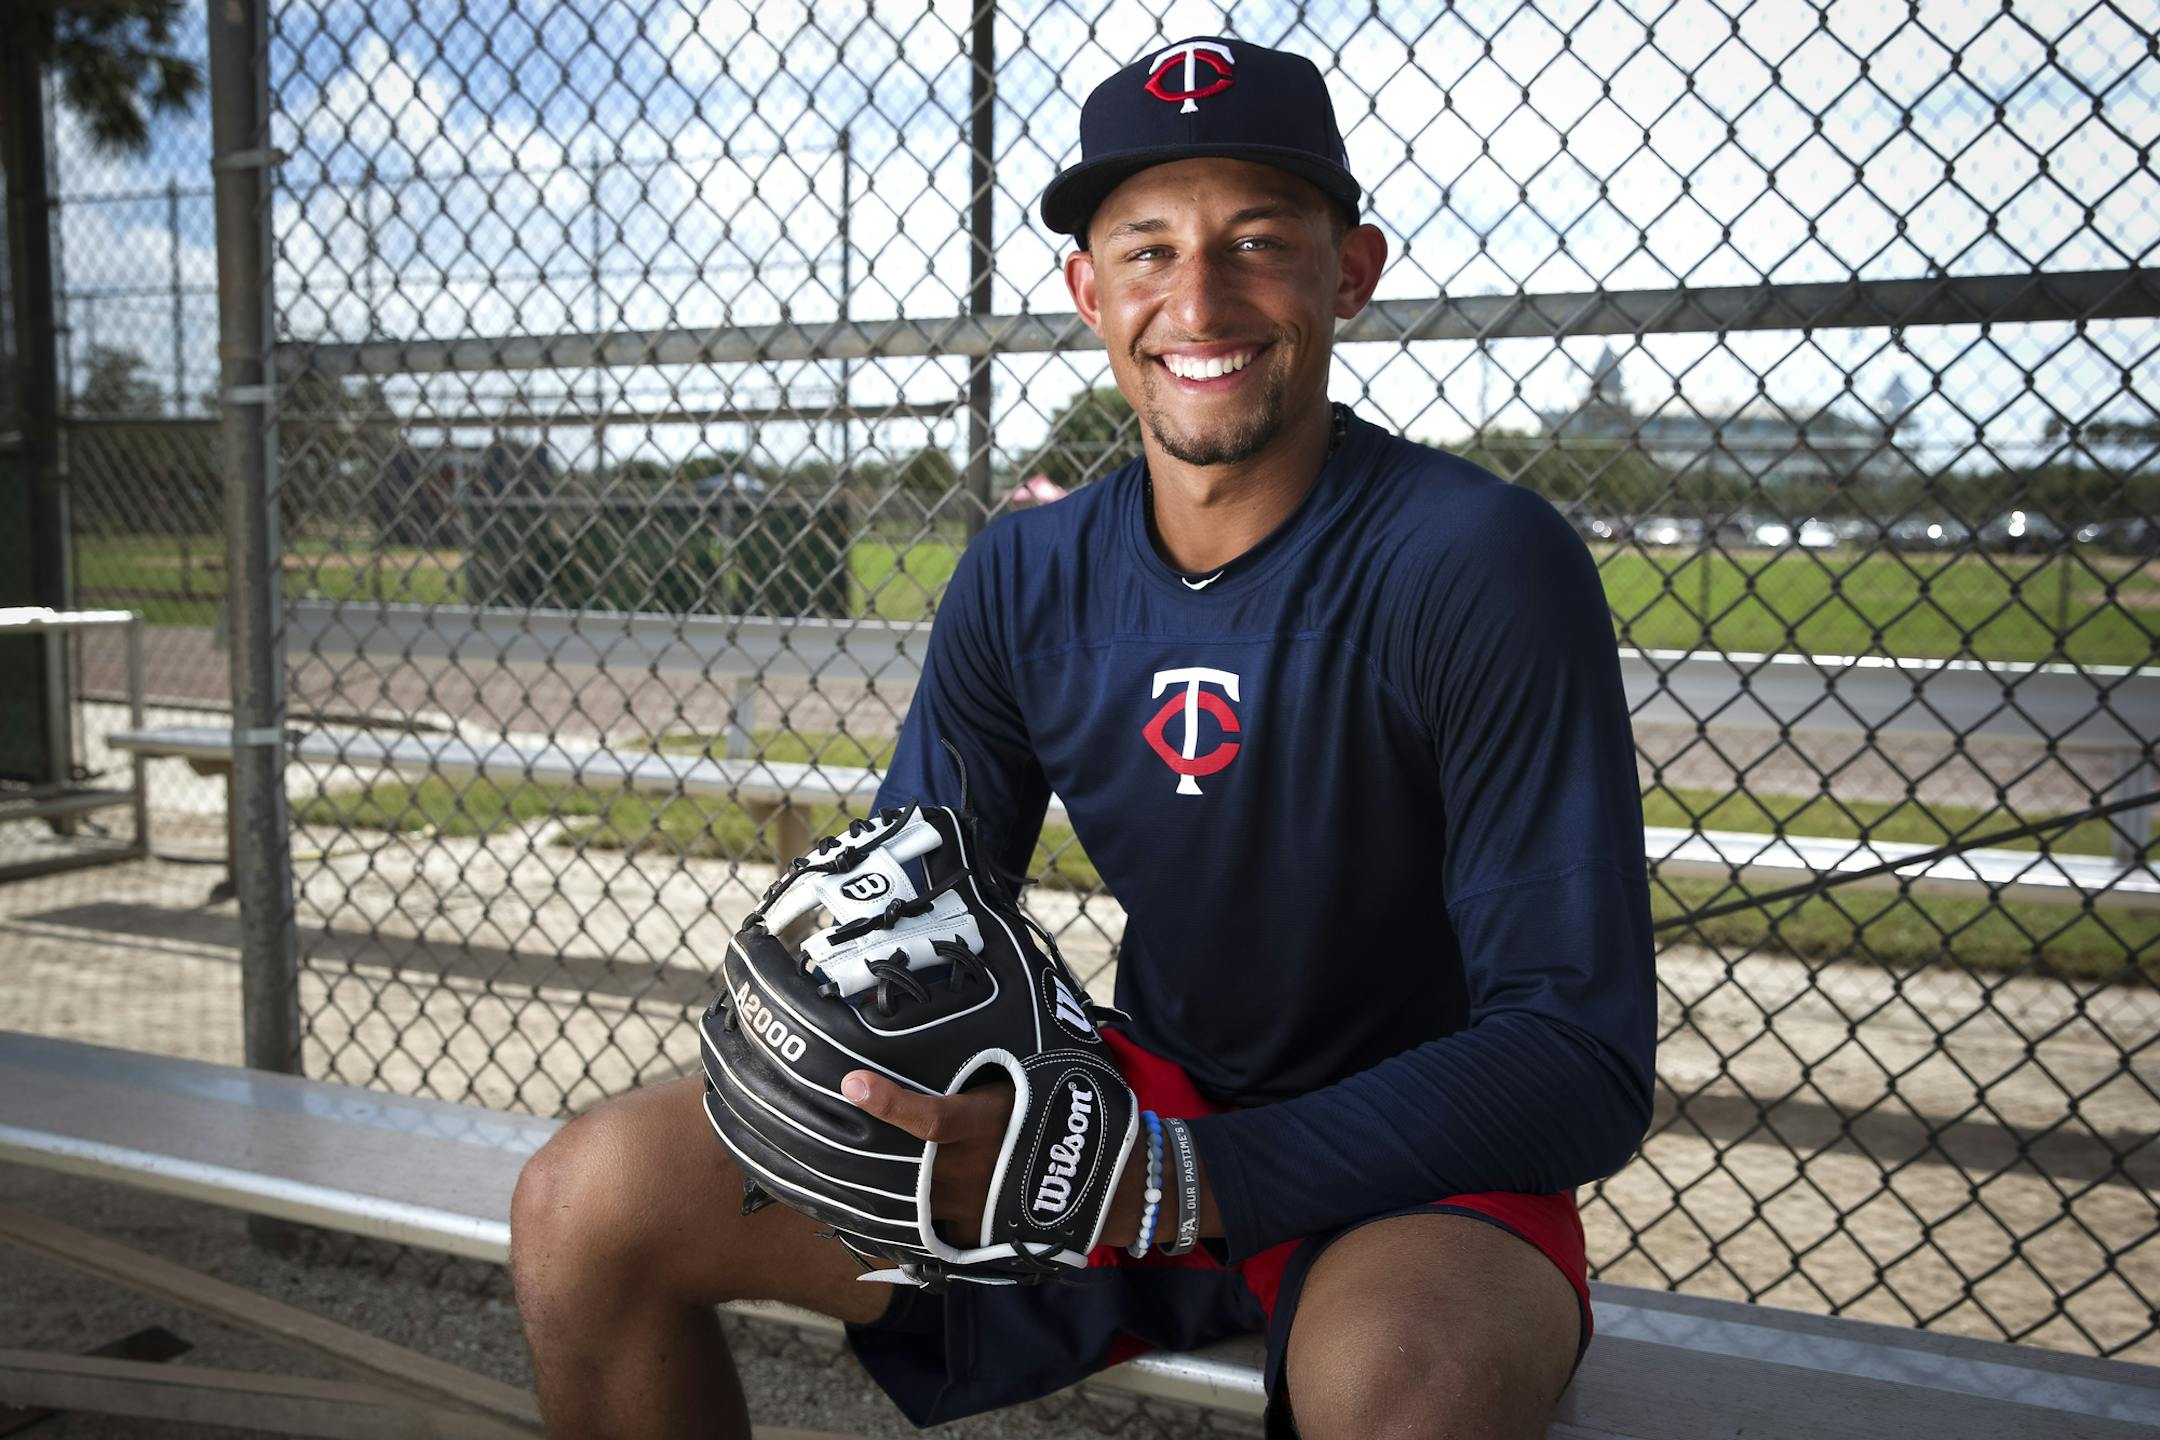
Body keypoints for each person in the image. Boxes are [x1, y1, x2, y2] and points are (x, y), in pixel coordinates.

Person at [509, 35, 1655, 1440]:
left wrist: (1187, 1177)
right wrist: (835, 1027)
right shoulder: (1025, 571)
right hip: (1110, 1122)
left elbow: (1578, 1056)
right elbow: (909, 911)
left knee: (1408, 1390)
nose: (1200, 298)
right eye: (1148, 249)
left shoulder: (1478, 557)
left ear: (1348, 270)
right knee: (591, 1198)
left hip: (1414, 1161)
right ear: (1087, 291)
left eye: (1258, 242)